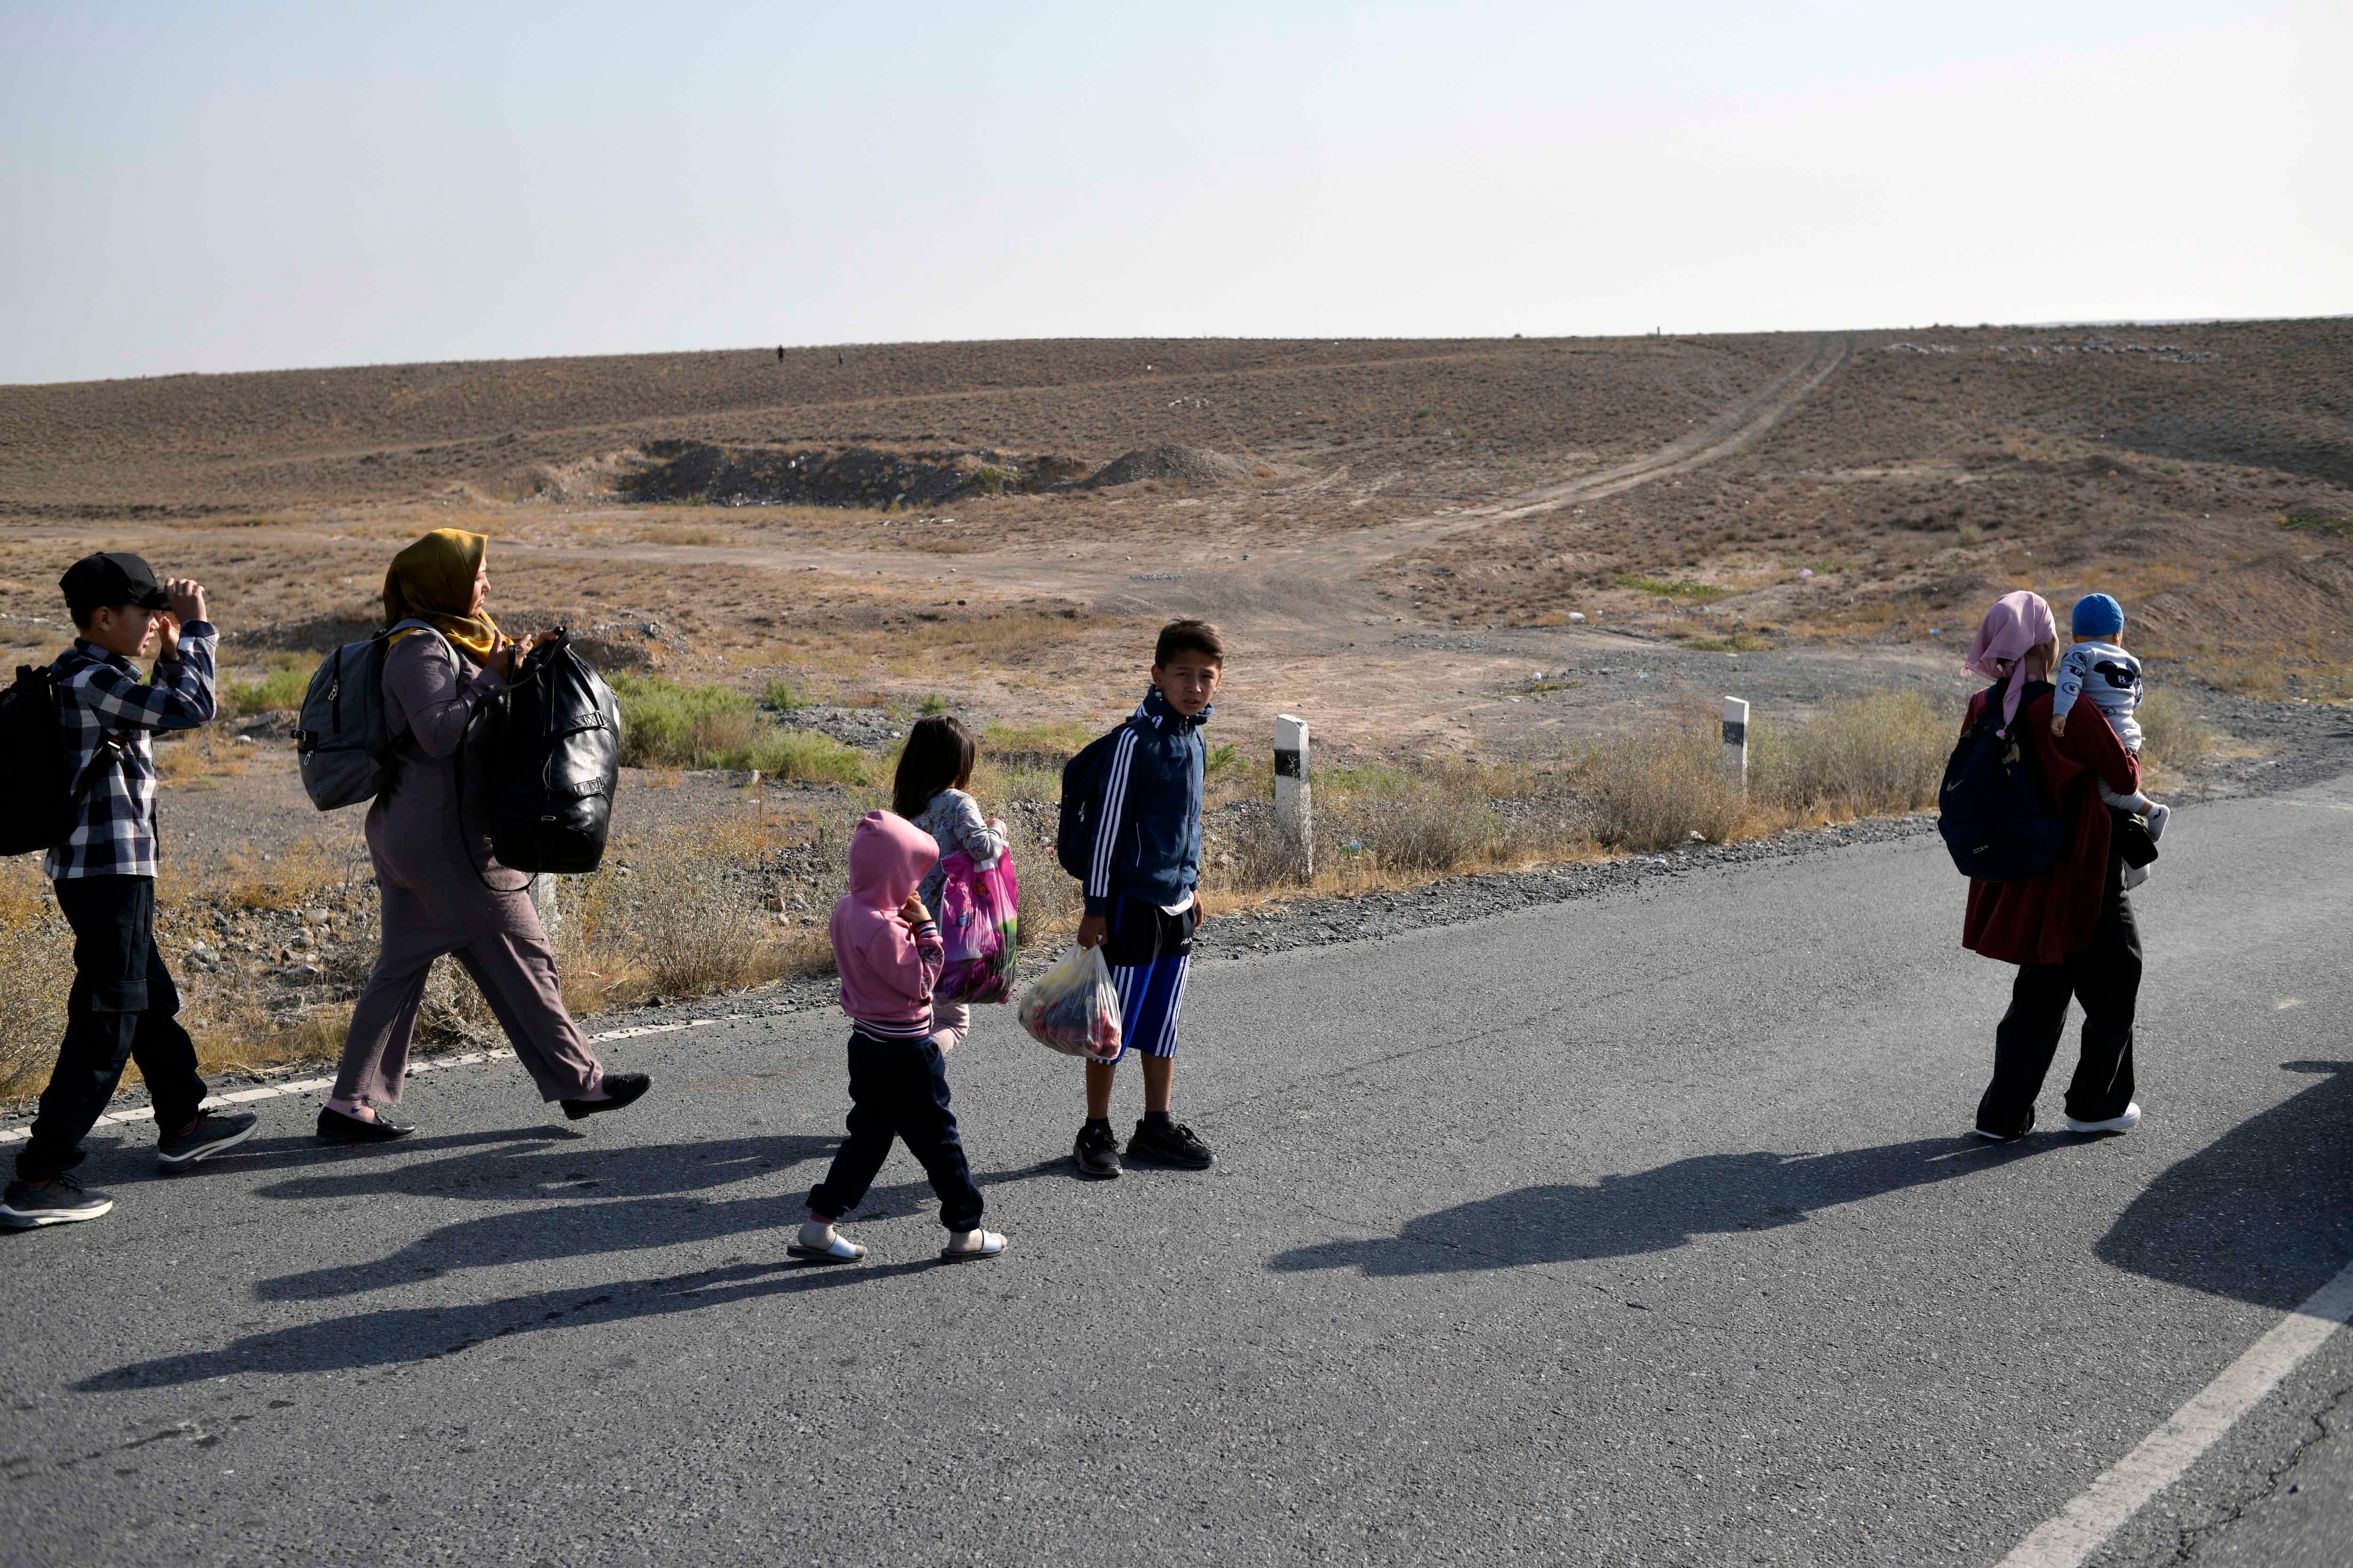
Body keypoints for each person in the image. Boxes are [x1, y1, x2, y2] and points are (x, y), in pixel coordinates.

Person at [318, 529, 648, 1141]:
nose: (487, 585)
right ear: (443, 582)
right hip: (448, 838)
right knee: (525, 950)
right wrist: (490, 679)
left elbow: (478, 708)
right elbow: (440, 732)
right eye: (477, 576)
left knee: (399, 968)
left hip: (413, 833)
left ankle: (348, 1104)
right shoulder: (419, 647)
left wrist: (517, 664)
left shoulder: (454, 640)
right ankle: (582, 1083)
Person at [1, 553, 258, 1229]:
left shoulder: (98, 675)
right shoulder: (92, 678)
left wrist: (174, 650)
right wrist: (200, 631)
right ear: (105, 618)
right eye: (146, 613)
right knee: (108, 1015)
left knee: (146, 998)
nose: (156, 624)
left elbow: (165, 709)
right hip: (106, 871)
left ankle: (183, 1121)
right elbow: (193, 708)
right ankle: (39, 1173)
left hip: (112, 869)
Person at [1959, 591, 2146, 1143]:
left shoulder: (1982, 705)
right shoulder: (2063, 709)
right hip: (2084, 866)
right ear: (2047, 642)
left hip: (2025, 871)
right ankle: (2096, 1104)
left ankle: (2001, 1115)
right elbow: (2125, 776)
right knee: (2118, 978)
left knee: (2041, 987)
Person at [792, 810, 1006, 1264]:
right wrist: (928, 930)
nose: (914, 883)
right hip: (905, 1053)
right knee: (940, 1143)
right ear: (892, 873)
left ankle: (820, 1224)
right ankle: (965, 1229)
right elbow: (922, 982)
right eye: (910, 873)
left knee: (867, 1138)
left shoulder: (850, 908)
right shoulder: (883, 927)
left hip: (867, 1045)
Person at [1070, 619, 1222, 1180]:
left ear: (1218, 681)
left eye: (1205, 676)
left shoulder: (1195, 737)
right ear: (1156, 675)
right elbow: (1109, 829)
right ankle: (1096, 1129)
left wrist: (1192, 882)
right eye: (1182, 674)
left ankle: (1154, 1124)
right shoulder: (1137, 741)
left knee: (1163, 1023)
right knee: (1111, 1025)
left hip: (1175, 905)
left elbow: (1188, 822)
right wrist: (1095, 906)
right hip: (1129, 905)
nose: (1194, 686)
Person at [891, 715, 1008, 1054]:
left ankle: (913, 1075)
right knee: (953, 1022)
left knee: (921, 1012)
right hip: (949, 928)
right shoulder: (957, 802)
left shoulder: (908, 806)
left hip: (910, 922)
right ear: (956, 764)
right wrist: (997, 828)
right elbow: (982, 849)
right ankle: (919, 1066)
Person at [2050, 592, 2169, 887]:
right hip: (2128, 732)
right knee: (2107, 795)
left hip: (2107, 736)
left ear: (2076, 636)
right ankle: (2133, 848)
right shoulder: (2131, 661)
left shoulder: (2080, 654)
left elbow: (2069, 683)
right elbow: (2135, 699)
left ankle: (2149, 822)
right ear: (2118, 635)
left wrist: (2060, 713)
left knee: (2105, 794)